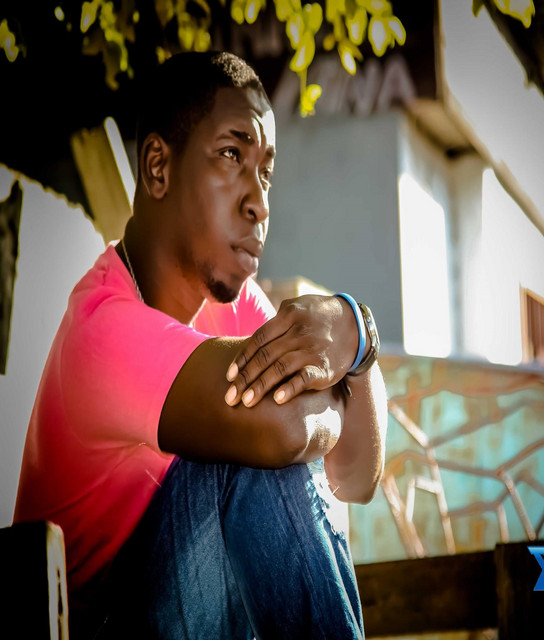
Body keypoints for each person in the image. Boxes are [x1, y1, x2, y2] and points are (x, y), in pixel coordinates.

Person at [14, 51, 387, 639]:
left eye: (266, 173)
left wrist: (358, 339)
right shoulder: (103, 330)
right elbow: (285, 429)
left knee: (259, 441)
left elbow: (357, 478)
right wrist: (335, 363)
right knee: (253, 452)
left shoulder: (233, 305)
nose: (260, 202)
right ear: (158, 167)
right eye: (232, 155)